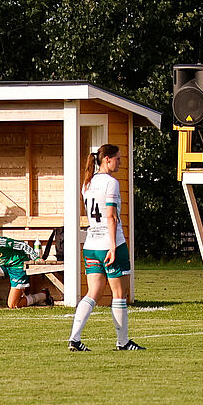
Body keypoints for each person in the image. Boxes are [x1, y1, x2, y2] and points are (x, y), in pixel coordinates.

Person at [70, 144, 141, 351]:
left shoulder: (87, 183)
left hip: (91, 244)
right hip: (111, 244)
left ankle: (74, 338)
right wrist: (112, 246)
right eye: (117, 158)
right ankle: (123, 342)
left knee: (93, 292)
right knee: (119, 294)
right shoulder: (111, 183)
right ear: (107, 159)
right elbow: (110, 216)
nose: (120, 162)